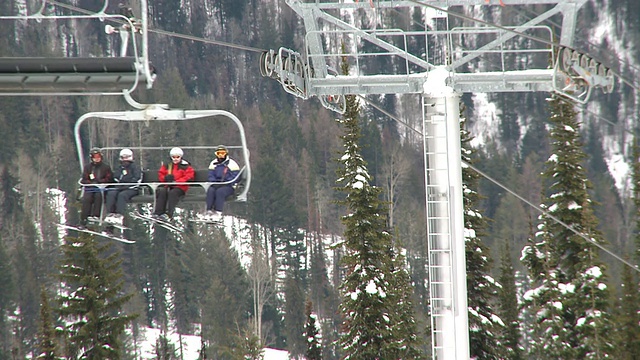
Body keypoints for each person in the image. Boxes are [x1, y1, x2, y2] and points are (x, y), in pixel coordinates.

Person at [104, 148, 142, 230]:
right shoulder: (120, 168)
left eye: (126, 157)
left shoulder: (134, 168)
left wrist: (127, 184)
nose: (125, 160)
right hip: (120, 187)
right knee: (111, 193)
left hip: (132, 189)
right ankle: (110, 214)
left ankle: (119, 215)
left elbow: (137, 179)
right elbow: (116, 177)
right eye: (123, 158)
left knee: (122, 195)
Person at [153, 147, 195, 221]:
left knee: (173, 193)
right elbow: (161, 174)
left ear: (181, 157)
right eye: (173, 157)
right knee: (162, 191)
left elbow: (189, 176)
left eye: (177, 157)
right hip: (168, 185)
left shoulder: (185, 166)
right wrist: (165, 178)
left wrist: (177, 182)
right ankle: (158, 213)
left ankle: (169, 214)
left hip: (180, 188)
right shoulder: (168, 166)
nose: (175, 159)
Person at [203, 145, 240, 222]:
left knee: (220, 192)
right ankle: (209, 211)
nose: (221, 155)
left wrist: (225, 182)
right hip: (217, 184)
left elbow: (235, 177)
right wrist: (214, 182)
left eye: (222, 153)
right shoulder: (213, 163)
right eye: (219, 153)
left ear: (226, 154)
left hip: (229, 186)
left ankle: (218, 212)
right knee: (211, 190)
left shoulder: (232, 164)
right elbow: (211, 175)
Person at [79, 148, 113, 228]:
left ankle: (96, 215)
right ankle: (84, 219)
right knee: (87, 199)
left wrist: (100, 181)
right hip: (90, 187)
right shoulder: (88, 168)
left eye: (98, 157)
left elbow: (109, 178)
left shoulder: (106, 167)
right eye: (95, 157)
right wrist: (91, 183)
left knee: (98, 196)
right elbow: (84, 178)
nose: (97, 159)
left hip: (101, 188)